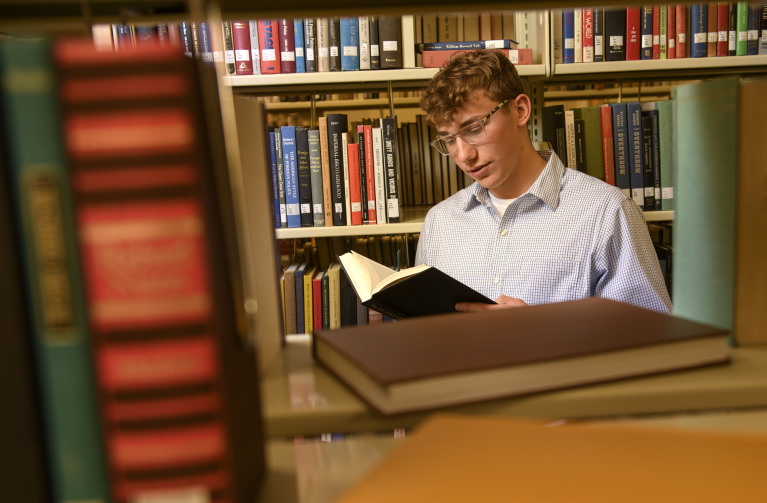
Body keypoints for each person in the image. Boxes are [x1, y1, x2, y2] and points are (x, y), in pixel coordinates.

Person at [414, 49, 672, 314]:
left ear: (520, 110)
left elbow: (651, 341)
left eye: (474, 129)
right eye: (448, 139)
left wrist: (542, 334)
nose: (464, 155)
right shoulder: (439, 222)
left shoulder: (607, 212)